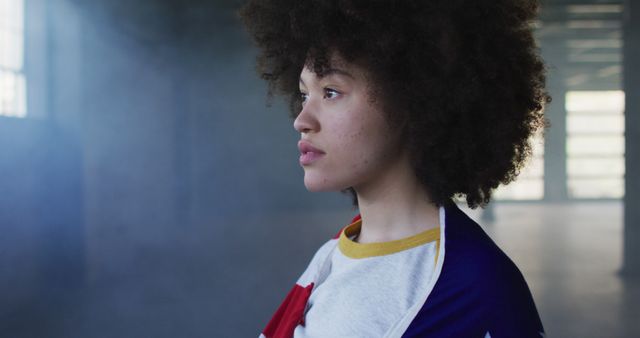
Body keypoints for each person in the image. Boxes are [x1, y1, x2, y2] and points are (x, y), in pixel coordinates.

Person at [239, 0, 550, 337]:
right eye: (303, 94)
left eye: (331, 92)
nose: (302, 120)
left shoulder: (477, 286)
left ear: (412, 98)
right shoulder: (329, 259)